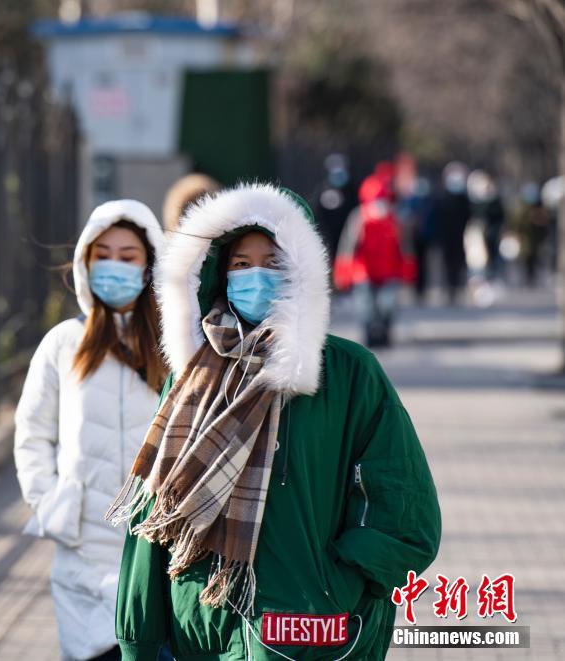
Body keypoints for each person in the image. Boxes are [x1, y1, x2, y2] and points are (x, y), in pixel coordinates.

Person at [108, 183, 441, 660]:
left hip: (313, 635)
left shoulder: (349, 374)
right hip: (201, 632)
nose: (255, 277)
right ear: (217, 276)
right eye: (240, 265)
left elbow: (407, 514)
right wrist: (139, 636)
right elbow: (153, 513)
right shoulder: (191, 378)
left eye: (273, 262)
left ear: (300, 273)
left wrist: (336, 584)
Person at [14, 199, 167, 661]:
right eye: (103, 254)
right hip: (83, 553)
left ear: (149, 266)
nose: (114, 267)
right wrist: (50, 503)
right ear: (85, 261)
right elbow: (32, 433)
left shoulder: (173, 343)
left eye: (128, 256)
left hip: (156, 552)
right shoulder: (64, 343)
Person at [334, 170, 415, 347]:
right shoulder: (359, 217)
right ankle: (369, 337)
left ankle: (385, 334)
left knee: (388, 306)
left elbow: (405, 246)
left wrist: (408, 267)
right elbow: (348, 245)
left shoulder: (395, 219)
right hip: (363, 272)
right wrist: (343, 270)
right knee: (366, 309)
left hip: (390, 271)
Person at [435, 162, 471, 304]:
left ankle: (457, 288)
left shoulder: (463, 199)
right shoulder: (442, 198)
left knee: (459, 264)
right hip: (446, 238)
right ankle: (449, 289)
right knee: (447, 264)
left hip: (461, 237)